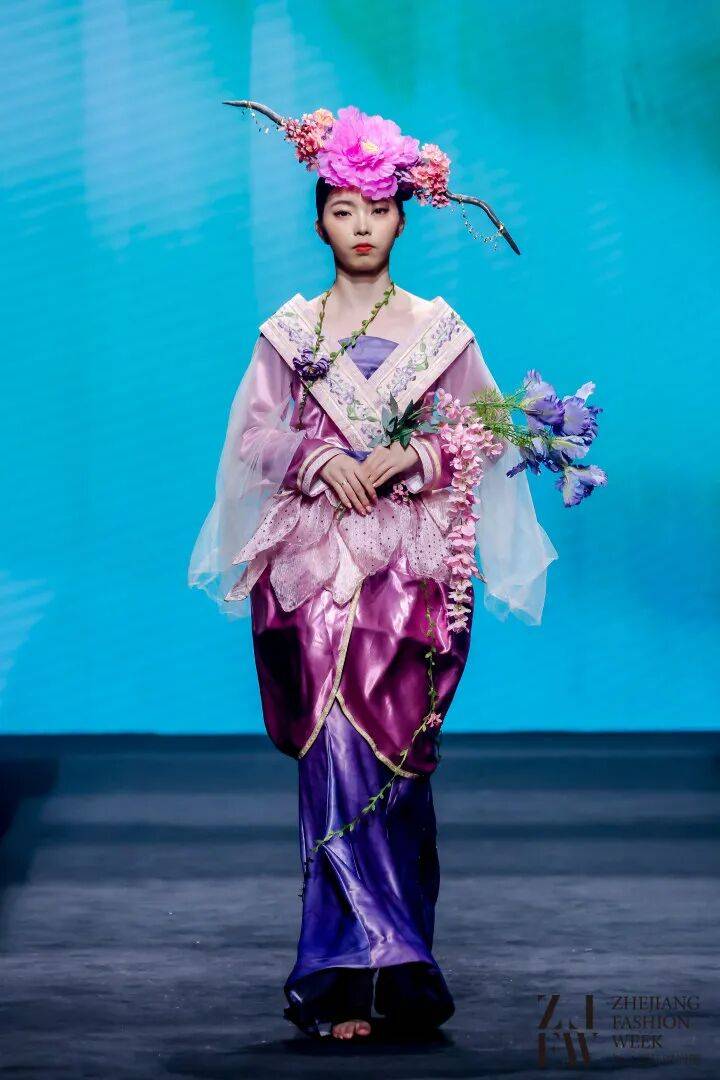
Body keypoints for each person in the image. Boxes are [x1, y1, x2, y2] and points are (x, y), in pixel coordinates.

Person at [188, 105, 558, 1041]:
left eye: (379, 209)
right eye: (343, 209)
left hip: (412, 565)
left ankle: (401, 958)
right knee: (332, 752)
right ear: (320, 220)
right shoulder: (290, 330)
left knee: (398, 759)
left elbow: (487, 429)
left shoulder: (439, 329)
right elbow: (253, 435)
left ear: (403, 218)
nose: (361, 225)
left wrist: (415, 457)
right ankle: (341, 971)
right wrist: (319, 459)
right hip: (315, 562)